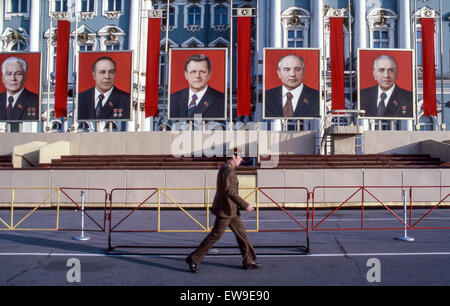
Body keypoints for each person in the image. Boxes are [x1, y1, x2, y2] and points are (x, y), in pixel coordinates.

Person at [185, 150, 262, 273]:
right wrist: (245, 204)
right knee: (215, 236)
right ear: (233, 156)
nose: (241, 160)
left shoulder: (227, 168)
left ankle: (248, 261)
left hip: (231, 211)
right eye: (240, 157)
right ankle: (194, 258)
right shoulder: (228, 170)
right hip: (226, 210)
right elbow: (229, 191)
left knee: (242, 235)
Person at [170, 54, 225, 119]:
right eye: (193, 72)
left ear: (209, 75)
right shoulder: (173, 99)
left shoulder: (221, 100)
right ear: (186, 75)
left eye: (202, 72)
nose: (197, 76)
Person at [78, 56, 130, 120]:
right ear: (94, 75)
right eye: (102, 72)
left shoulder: (126, 99)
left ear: (115, 74)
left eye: (111, 72)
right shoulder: (80, 98)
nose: (107, 76)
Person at [0, 56, 39, 121]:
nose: (13, 79)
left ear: (25, 77)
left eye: (18, 74)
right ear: (3, 78)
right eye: (9, 74)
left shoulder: (35, 101)